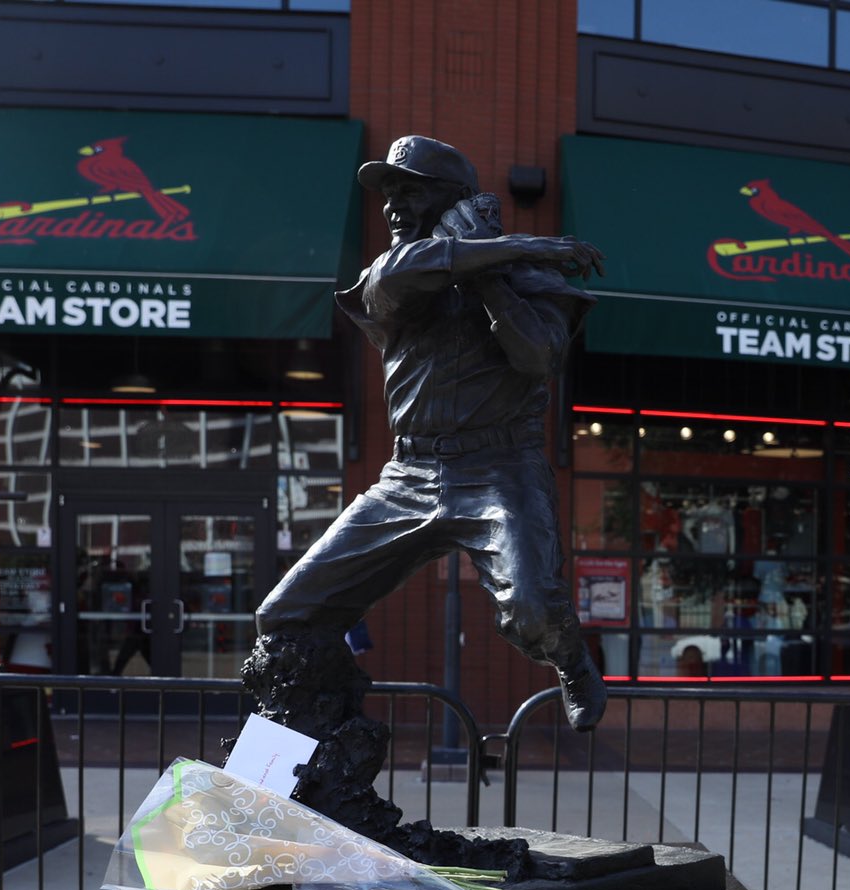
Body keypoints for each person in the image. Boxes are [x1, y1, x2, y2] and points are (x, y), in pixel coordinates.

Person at [251, 135, 609, 730]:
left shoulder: (526, 278)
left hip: (500, 468)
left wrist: (492, 271)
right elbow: (402, 273)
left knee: (531, 609)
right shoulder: (396, 272)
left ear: (456, 202)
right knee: (286, 613)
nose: (392, 207)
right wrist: (515, 246)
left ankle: (571, 661)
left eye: (409, 191)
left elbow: (537, 357)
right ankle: (317, 734)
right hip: (407, 475)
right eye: (388, 193)